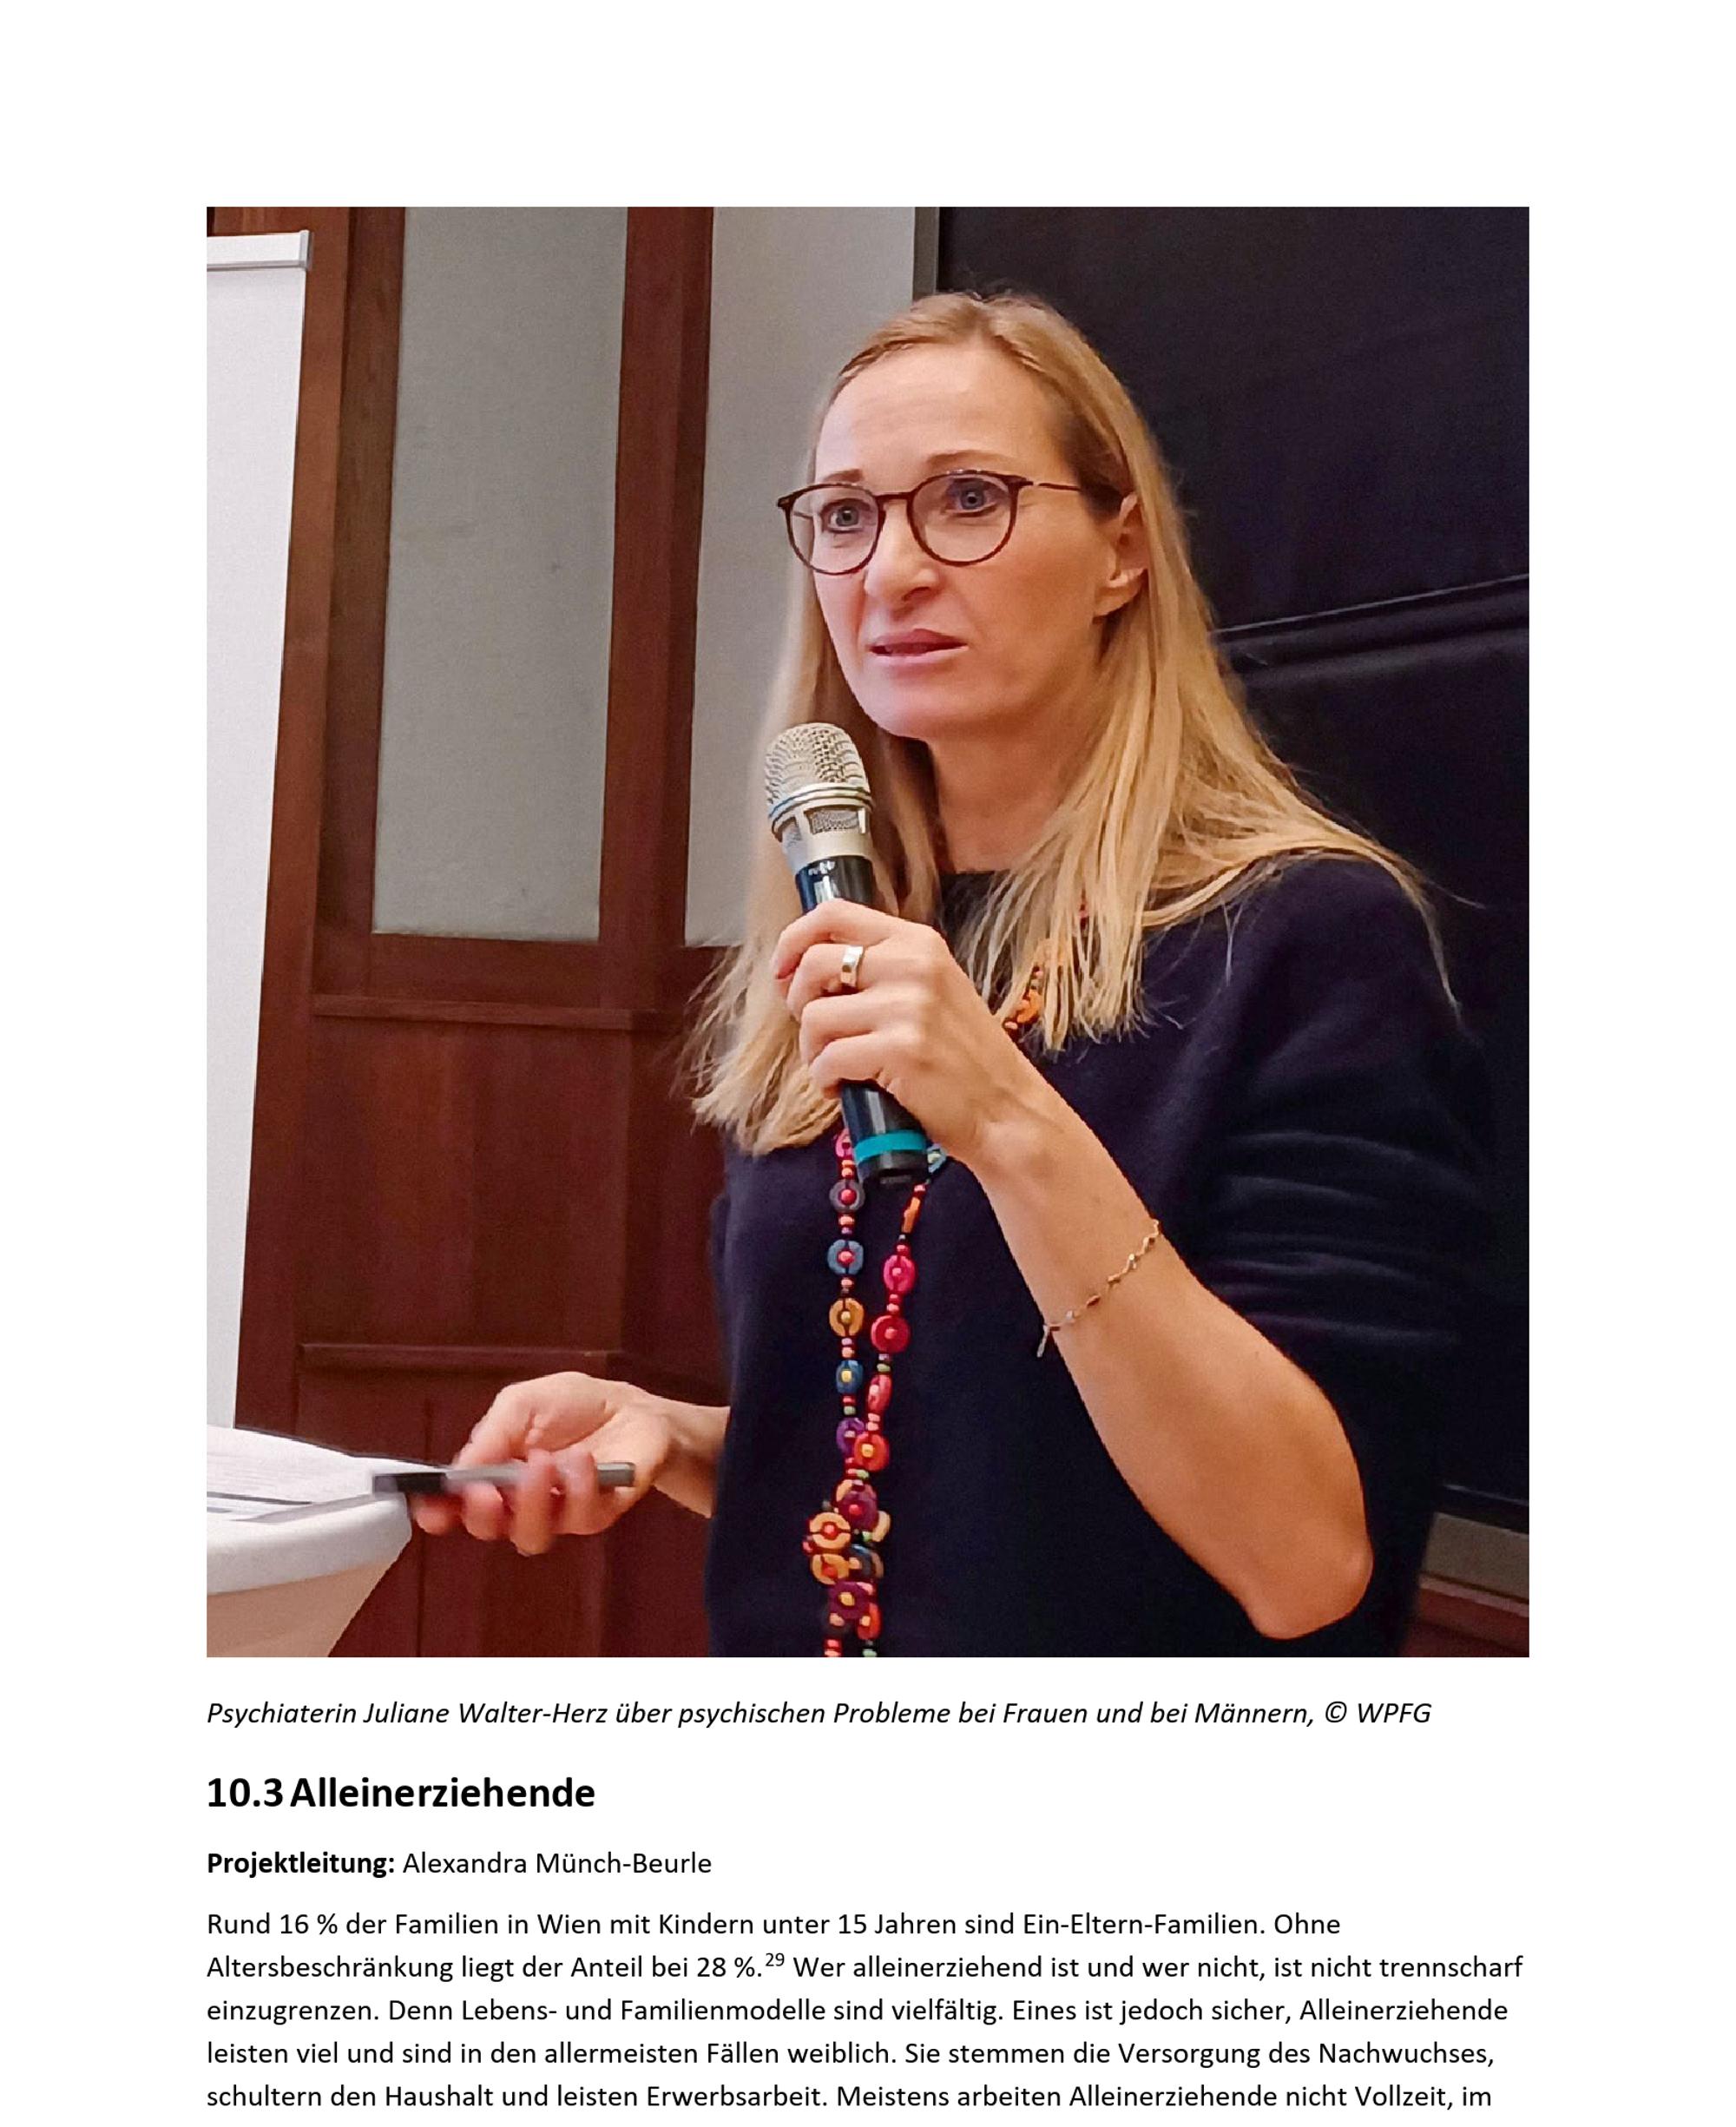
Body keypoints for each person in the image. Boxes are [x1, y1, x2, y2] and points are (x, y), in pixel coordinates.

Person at [414, 290, 1489, 1657]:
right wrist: (673, 1438)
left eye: (969, 499)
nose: (893, 571)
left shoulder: (1307, 940)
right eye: (846, 516)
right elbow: (979, 1455)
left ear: (1122, 554)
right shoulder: (842, 930)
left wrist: (1009, 1120)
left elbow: (1305, 1557)